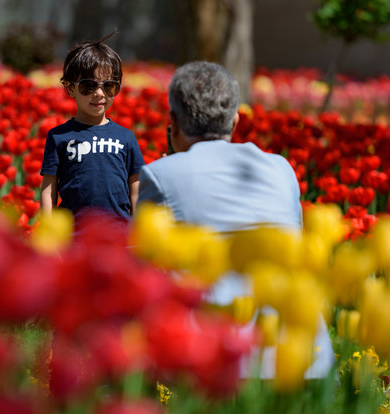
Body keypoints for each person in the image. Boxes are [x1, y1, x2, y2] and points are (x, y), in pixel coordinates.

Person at [137, 61, 334, 379]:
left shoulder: (161, 175)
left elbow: (141, 264)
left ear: (172, 120)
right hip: (302, 354)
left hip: (218, 359)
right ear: (236, 120)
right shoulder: (280, 168)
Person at [40, 32, 145, 221]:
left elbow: (135, 188)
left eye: (109, 86)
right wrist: (49, 233)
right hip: (74, 239)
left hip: (118, 235)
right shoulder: (59, 137)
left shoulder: (126, 138)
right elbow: (49, 190)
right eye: (88, 86)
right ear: (70, 88)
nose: (99, 94)